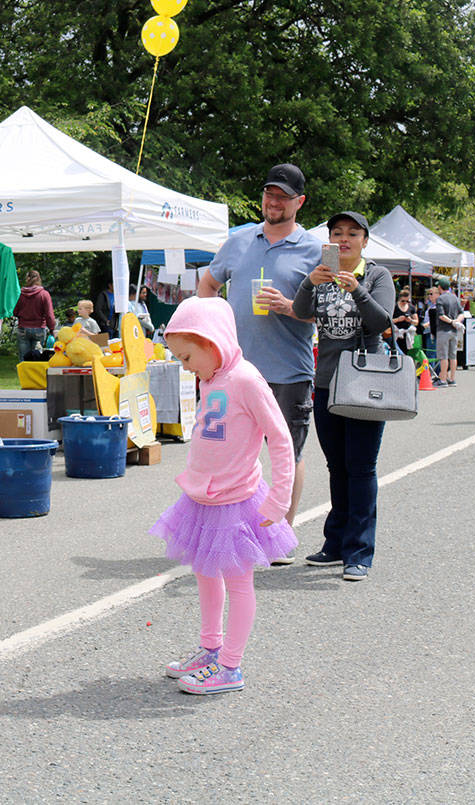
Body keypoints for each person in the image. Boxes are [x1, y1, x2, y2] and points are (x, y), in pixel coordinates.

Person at [149, 296, 296, 695]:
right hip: (203, 498)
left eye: (187, 356)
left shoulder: (246, 379)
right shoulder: (210, 378)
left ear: (212, 342)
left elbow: (281, 440)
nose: (185, 366)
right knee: (204, 572)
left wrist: (279, 499)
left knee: (238, 581)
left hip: (237, 500)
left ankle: (231, 665)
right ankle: (211, 649)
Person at [196, 163, 320, 558]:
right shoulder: (240, 241)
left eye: (283, 197)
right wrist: (208, 331)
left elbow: (329, 309)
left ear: (299, 203)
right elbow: (209, 284)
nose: (274, 202)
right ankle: (229, 531)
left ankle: (280, 535)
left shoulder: (315, 249)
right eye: (270, 194)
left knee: (287, 451)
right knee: (230, 453)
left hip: (289, 369)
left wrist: (291, 307)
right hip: (235, 372)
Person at [292, 212, 395, 581]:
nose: (345, 239)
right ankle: (335, 544)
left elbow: (383, 322)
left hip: (366, 381)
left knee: (361, 466)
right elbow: (301, 312)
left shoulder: (377, 275)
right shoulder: (321, 274)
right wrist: (308, 283)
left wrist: (357, 289)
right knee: (337, 467)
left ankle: (359, 552)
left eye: (353, 233)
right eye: (338, 234)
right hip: (326, 381)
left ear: (365, 241)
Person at [13, 270, 55, 360]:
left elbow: (14, 312)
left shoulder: (20, 294)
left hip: (23, 328)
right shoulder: (44, 294)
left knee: (23, 358)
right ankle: (35, 374)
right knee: (37, 357)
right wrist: (52, 329)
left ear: (27, 279)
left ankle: (24, 374)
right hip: (39, 328)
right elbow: (49, 314)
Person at [433, 277, 463, 387]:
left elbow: (441, 315)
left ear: (440, 287)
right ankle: (452, 379)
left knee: (443, 356)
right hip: (454, 331)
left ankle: (443, 380)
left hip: (443, 330)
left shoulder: (440, 299)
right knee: (453, 356)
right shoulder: (455, 298)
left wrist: (451, 321)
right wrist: (457, 322)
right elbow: (461, 313)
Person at [392, 287, 419, 353]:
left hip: (408, 334)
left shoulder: (411, 307)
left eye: (407, 301)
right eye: (403, 301)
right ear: (399, 299)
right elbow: (389, 320)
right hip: (396, 334)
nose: (405, 303)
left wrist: (410, 320)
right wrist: (398, 319)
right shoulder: (394, 306)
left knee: (408, 352)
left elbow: (416, 322)